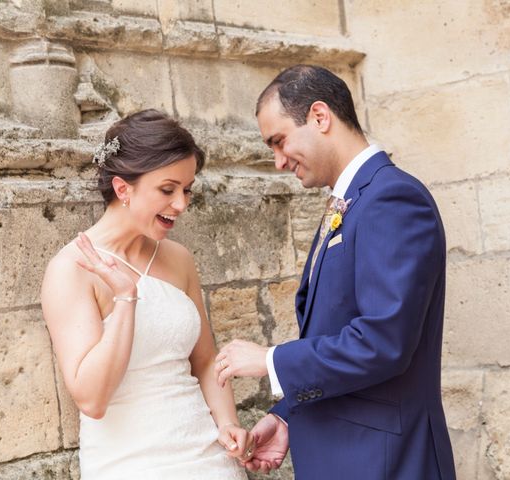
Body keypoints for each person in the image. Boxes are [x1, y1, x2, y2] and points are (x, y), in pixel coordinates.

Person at [215, 65, 457, 479]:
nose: (277, 162)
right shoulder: (353, 200)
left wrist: (270, 361)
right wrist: (289, 415)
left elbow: (384, 342)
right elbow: (334, 330)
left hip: (386, 462)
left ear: (320, 117)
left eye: (279, 141)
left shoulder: (392, 198)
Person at [41, 109, 252, 480]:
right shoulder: (71, 269)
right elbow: (92, 398)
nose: (181, 205)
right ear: (124, 188)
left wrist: (227, 423)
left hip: (207, 458)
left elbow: (204, 361)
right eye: (167, 190)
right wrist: (125, 298)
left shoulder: (179, 259)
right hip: (131, 464)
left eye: (186, 190)